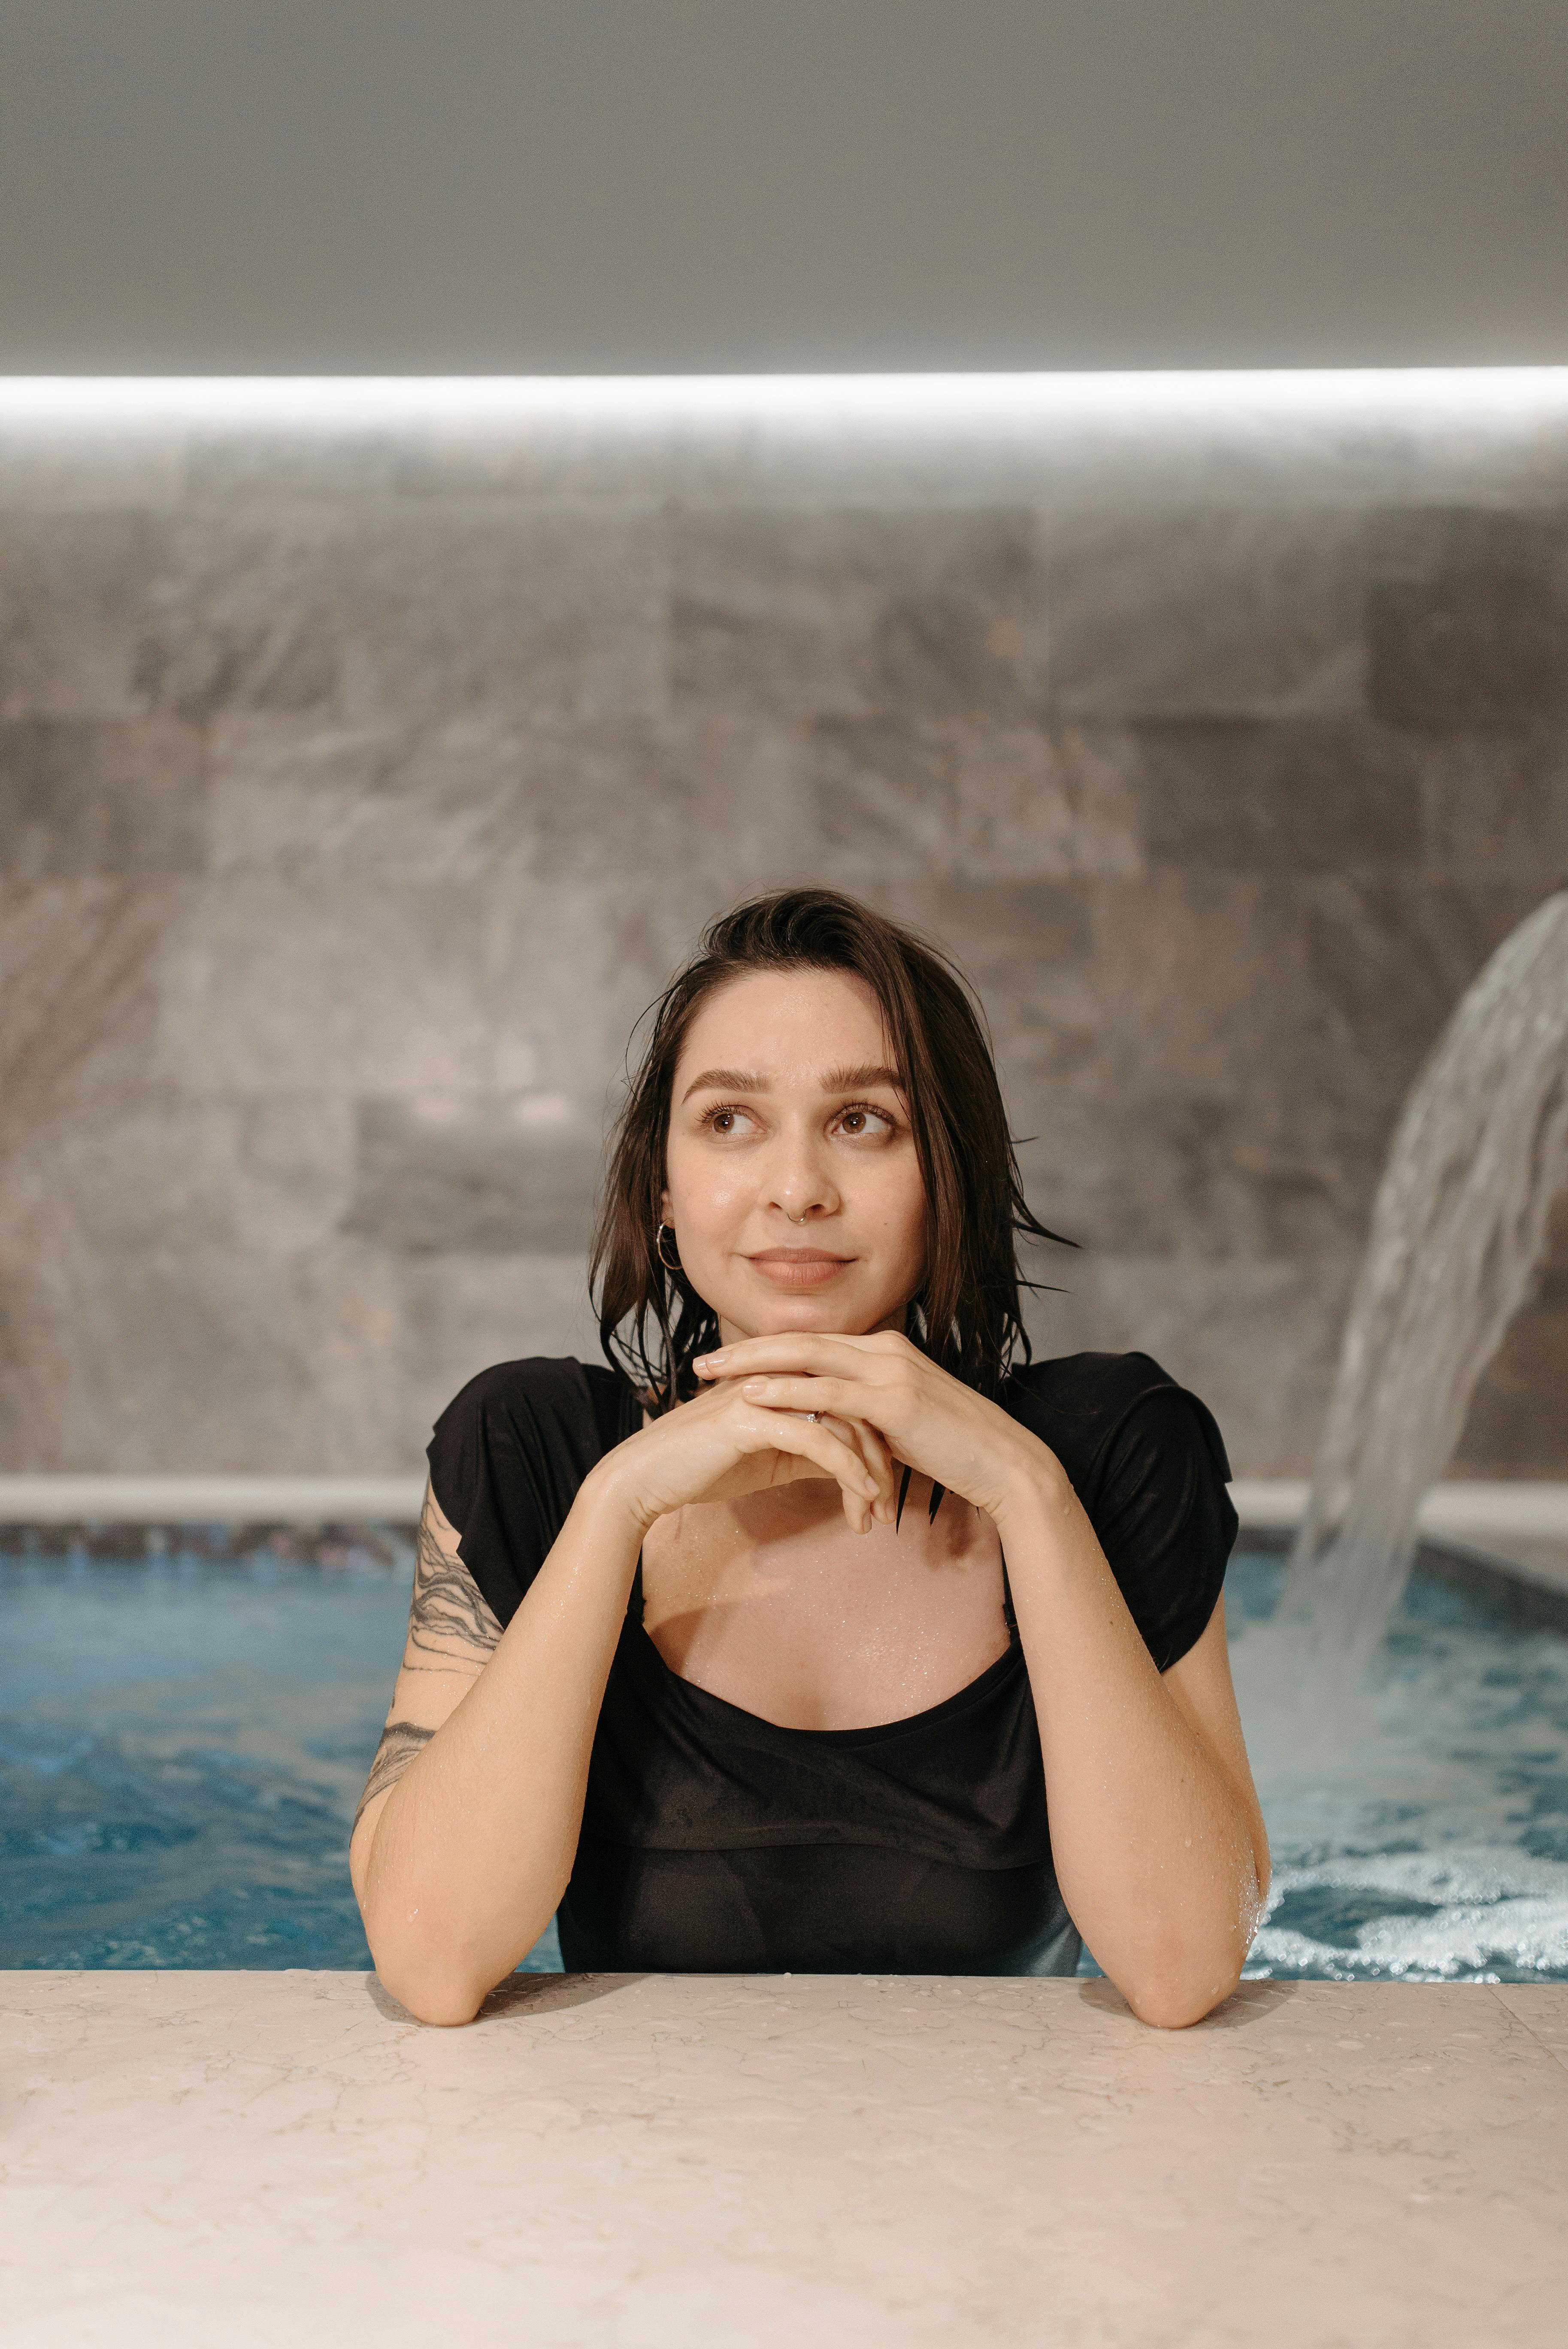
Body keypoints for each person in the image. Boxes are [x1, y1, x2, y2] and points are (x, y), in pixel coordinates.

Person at [350, 887, 1269, 2026]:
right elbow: (432, 1958)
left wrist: (1028, 1493)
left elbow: (1184, 1963)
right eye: (731, 1121)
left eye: (862, 1122)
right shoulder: (535, 1448)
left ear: (949, 1177)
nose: (797, 1188)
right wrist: (615, 1507)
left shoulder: (1107, 1445)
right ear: (664, 1192)